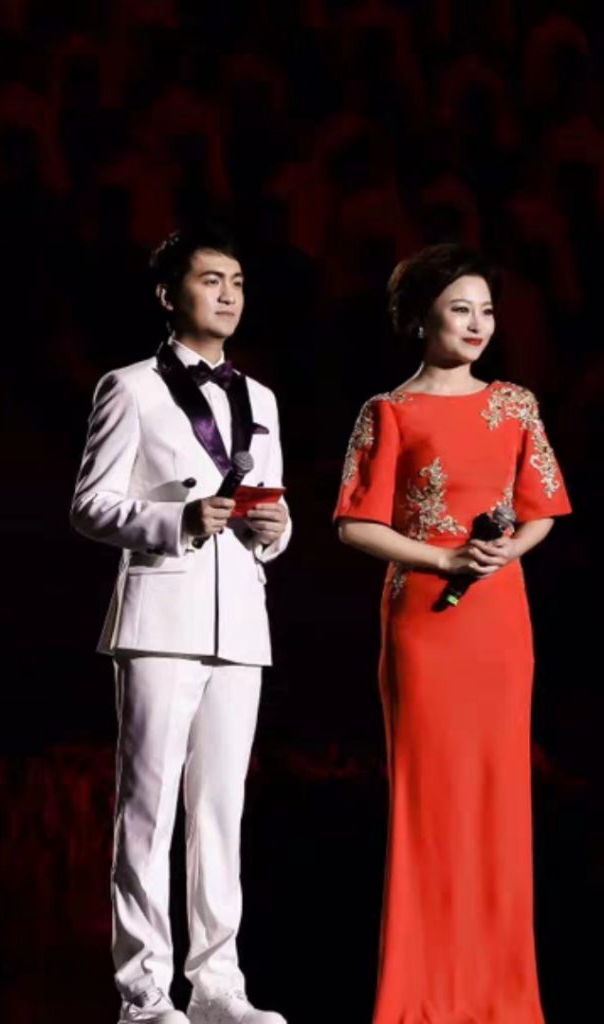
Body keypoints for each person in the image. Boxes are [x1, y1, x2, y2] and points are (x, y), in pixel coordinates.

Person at [334, 243, 572, 1023]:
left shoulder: (516, 404)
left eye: (487, 310)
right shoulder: (389, 411)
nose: (478, 324)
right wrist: (442, 557)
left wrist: (507, 551)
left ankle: (502, 996)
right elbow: (355, 525)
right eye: (460, 309)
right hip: (424, 626)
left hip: (500, 622)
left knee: (499, 800)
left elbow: (542, 508)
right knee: (429, 803)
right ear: (420, 318)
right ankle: (421, 996)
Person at [71, 223, 290, 1024]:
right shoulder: (129, 387)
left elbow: (273, 503)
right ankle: (143, 994)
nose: (228, 295)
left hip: (241, 619)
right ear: (169, 295)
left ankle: (219, 987)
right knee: (148, 808)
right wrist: (178, 519)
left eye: (237, 282)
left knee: (221, 811)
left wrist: (278, 530)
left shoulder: (261, 396)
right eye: (210, 280)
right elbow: (89, 505)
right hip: (161, 613)